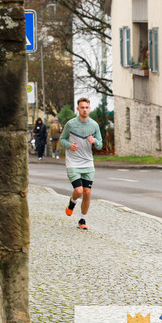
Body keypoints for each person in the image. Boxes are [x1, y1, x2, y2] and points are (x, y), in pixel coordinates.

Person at [60, 98, 103, 230]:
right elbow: (62, 139)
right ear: (78, 109)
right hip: (73, 162)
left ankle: (82, 219)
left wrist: (94, 140)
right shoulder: (70, 124)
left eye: (86, 107)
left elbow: (100, 145)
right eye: (82, 107)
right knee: (79, 191)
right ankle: (72, 201)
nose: (84, 110)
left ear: (89, 108)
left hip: (88, 162)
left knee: (87, 192)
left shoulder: (94, 125)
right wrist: (69, 145)